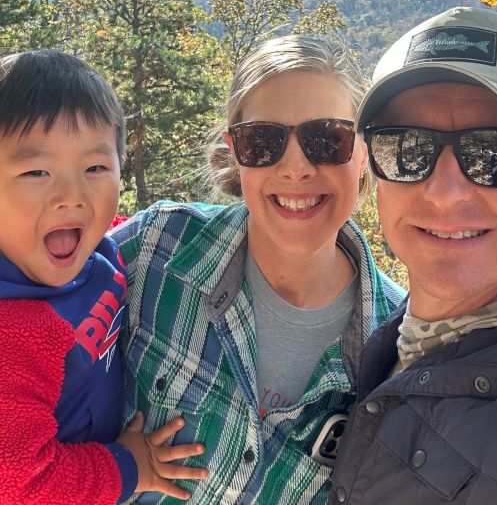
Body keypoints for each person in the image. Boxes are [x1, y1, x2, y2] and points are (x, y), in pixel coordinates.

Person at [111, 34, 405, 504]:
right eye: (263, 141)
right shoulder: (155, 250)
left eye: (327, 140)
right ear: (235, 151)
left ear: (363, 153)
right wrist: (102, 467)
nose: (295, 168)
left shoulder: (400, 349)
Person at [328, 6, 497, 505]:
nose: (445, 193)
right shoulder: (392, 330)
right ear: (373, 167)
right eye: (407, 149)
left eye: (496, 154)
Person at [0, 50, 207, 505]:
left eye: (94, 168)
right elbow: (21, 483)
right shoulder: (14, 330)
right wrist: (130, 467)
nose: (71, 196)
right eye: (36, 172)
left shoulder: (94, 248)